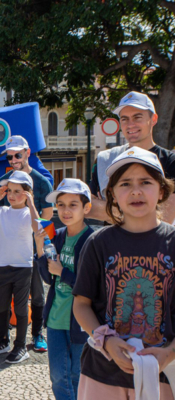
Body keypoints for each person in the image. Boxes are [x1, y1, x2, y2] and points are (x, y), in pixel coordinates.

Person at [73, 147, 175, 399]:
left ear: (161, 191)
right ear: (112, 195)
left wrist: (169, 353)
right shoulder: (98, 243)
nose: (136, 191)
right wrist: (105, 341)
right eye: (125, 184)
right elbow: (81, 305)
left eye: (145, 182)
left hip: (164, 375)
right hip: (101, 373)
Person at [0, 135, 54, 352]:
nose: (13, 159)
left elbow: (47, 218)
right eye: (9, 156)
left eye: (17, 154)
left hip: (34, 248)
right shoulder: (6, 181)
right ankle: (3, 333)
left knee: (37, 292)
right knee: (7, 291)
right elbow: (2, 210)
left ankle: (37, 333)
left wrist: (40, 244)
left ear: (28, 153)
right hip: (12, 249)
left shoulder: (42, 182)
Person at [35, 179, 94, 400]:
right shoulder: (58, 236)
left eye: (72, 204)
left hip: (82, 320)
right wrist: (40, 250)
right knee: (58, 375)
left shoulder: (93, 239)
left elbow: (94, 286)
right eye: (61, 205)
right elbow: (49, 278)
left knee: (77, 374)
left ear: (86, 208)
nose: (65, 210)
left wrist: (63, 273)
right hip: (55, 318)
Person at [0, 171, 39, 363]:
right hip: (2, 266)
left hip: (23, 267)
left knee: (19, 308)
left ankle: (20, 346)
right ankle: (3, 340)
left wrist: (32, 204)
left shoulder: (29, 214)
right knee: (2, 307)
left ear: (27, 193)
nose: (11, 195)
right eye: (9, 190)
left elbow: (39, 229)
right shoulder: (2, 212)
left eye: (17, 191)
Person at [88, 91, 175, 224]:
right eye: (124, 119)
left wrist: (110, 209)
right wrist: (141, 214)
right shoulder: (104, 159)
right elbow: (89, 207)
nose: (130, 124)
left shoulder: (170, 161)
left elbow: (166, 217)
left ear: (154, 119)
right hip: (111, 243)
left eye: (137, 117)